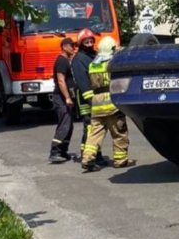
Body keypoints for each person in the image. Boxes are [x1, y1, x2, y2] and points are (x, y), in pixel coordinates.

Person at [81, 36, 136, 172]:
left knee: (94, 134)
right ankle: (120, 160)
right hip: (111, 102)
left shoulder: (93, 64)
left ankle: (87, 159)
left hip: (97, 103)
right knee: (119, 132)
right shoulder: (112, 63)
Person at [72, 28, 107, 165]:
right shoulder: (79, 59)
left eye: (91, 40)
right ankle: (90, 155)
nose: (89, 42)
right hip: (86, 98)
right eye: (86, 40)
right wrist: (91, 100)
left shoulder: (94, 56)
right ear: (81, 43)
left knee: (96, 127)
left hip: (96, 96)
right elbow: (82, 82)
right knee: (90, 127)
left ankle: (89, 153)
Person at [49, 38, 76, 163]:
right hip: (60, 98)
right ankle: (55, 152)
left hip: (64, 97)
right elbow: (61, 80)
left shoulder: (66, 61)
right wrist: (67, 97)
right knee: (64, 124)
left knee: (69, 125)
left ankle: (63, 151)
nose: (74, 48)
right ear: (64, 46)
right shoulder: (61, 61)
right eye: (72, 45)